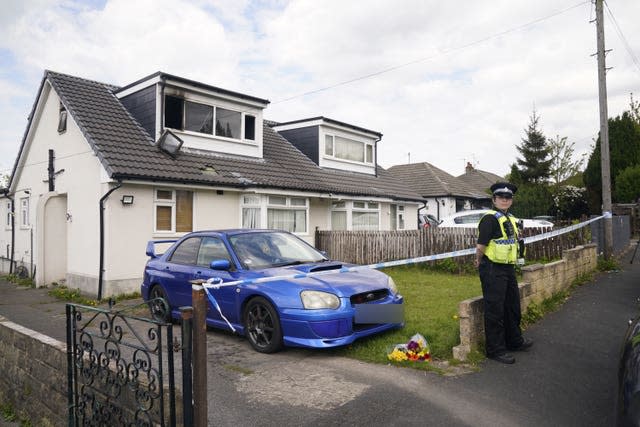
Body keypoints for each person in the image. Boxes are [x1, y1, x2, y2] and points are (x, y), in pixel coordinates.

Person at [475, 182, 533, 364]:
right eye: (501, 197)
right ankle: (495, 350)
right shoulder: (489, 219)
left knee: (512, 306)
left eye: (508, 198)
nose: (504, 200)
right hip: (492, 268)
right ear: (494, 200)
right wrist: (478, 260)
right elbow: (480, 246)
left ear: (511, 201)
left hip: (507, 268)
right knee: (495, 310)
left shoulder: (511, 219)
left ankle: (514, 341)